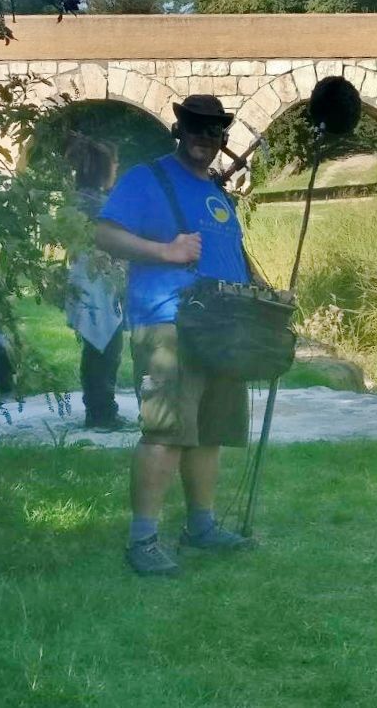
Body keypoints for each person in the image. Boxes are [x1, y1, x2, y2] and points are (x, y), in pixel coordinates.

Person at [96, 95, 256, 576]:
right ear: (178, 129)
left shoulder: (217, 193)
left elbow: (230, 254)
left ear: (222, 138)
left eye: (214, 131)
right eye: (195, 127)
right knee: (165, 433)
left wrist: (259, 295)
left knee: (209, 433)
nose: (204, 138)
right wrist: (166, 252)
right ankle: (142, 540)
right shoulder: (146, 179)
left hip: (223, 328)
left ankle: (201, 528)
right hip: (168, 323)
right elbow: (104, 234)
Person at [64, 137, 126, 431]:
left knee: (98, 346)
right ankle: (101, 412)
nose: (117, 167)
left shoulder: (83, 199)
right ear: (104, 167)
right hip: (96, 281)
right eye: (114, 163)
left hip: (91, 280)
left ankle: (99, 409)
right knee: (105, 347)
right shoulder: (98, 204)